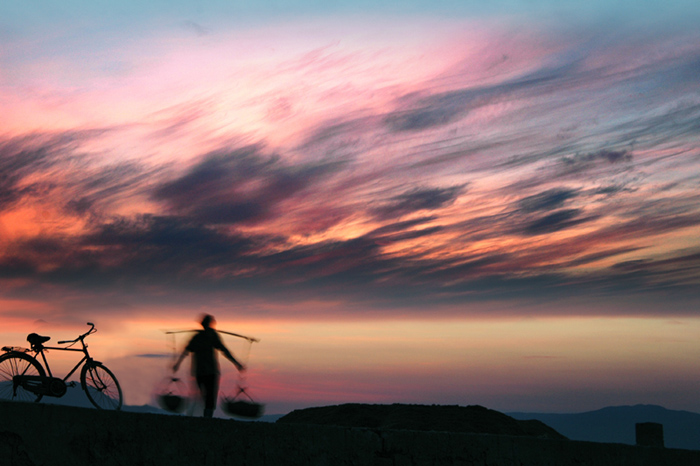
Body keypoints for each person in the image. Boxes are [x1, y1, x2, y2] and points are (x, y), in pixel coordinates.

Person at [173, 314, 245, 417]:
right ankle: (206, 416)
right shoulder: (208, 336)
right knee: (208, 395)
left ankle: (205, 416)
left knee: (206, 395)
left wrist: (177, 364)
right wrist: (236, 363)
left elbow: (186, 351)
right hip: (208, 371)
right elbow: (224, 350)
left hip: (203, 371)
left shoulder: (200, 337)